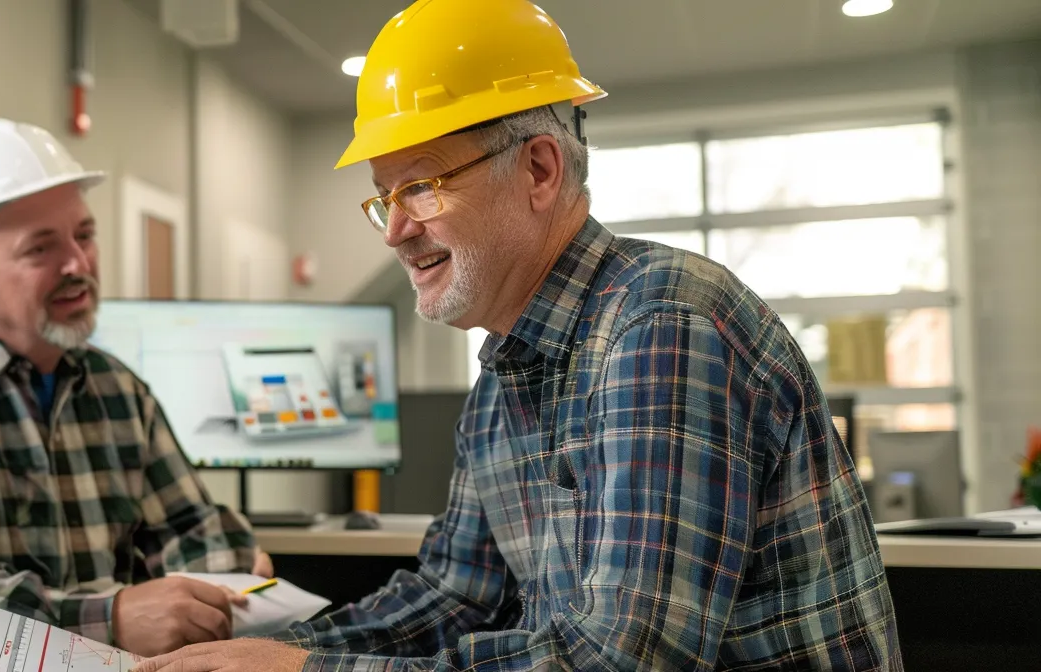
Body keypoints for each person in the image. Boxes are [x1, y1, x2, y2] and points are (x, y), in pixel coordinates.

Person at [137, 1, 901, 671]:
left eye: (423, 185)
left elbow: (625, 660)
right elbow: (454, 595)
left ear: (538, 169)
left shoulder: (662, 323)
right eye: (383, 198)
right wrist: (277, 655)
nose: (396, 230)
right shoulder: (505, 376)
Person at [0, 118, 271, 663]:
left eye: (85, 236)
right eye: (41, 249)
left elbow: (187, 525)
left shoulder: (118, 389)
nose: (78, 264)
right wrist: (110, 620)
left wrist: (226, 567)